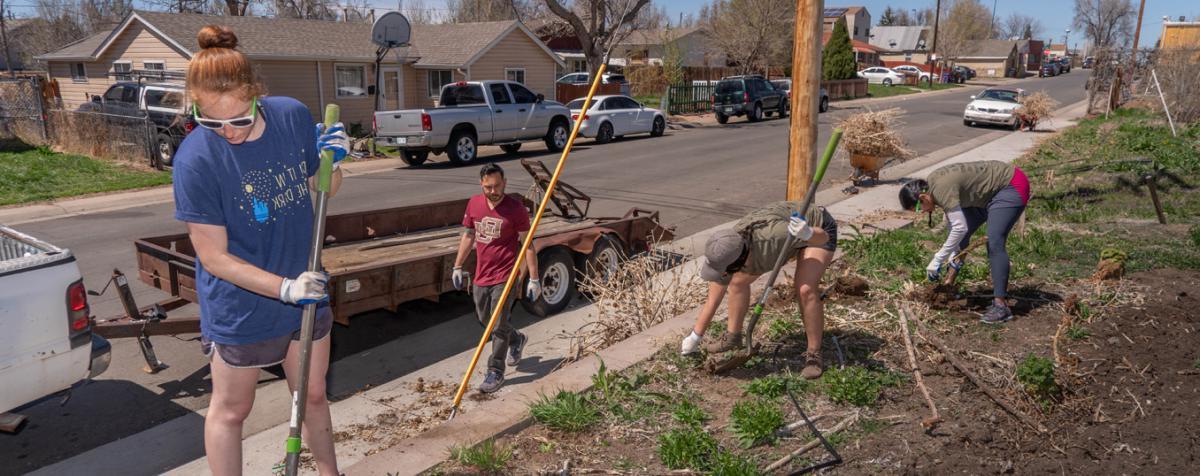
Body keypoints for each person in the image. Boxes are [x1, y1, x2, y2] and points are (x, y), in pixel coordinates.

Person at [172, 25, 347, 476]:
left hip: (306, 287)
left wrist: (334, 161)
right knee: (232, 410)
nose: (227, 132)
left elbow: (324, 188)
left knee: (311, 395)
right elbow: (214, 258)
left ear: (256, 95)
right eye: (211, 121)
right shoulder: (195, 160)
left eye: (239, 119)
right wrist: (285, 289)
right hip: (242, 304)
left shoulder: (290, 117)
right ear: (195, 107)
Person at [681, 202, 838, 380]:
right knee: (737, 281)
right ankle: (733, 337)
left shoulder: (775, 237)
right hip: (783, 237)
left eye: (724, 271)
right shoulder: (726, 248)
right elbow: (713, 298)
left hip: (815, 229)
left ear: (740, 260)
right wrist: (695, 337)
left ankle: (814, 354)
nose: (722, 274)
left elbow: (823, 237)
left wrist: (807, 233)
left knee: (805, 289)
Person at [898, 160, 1031, 324]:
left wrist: (938, 258)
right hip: (985, 194)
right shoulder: (934, 185)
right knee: (959, 237)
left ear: (923, 197)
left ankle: (1001, 306)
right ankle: (948, 287)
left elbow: (959, 227)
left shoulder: (940, 190)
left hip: (1010, 186)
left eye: (920, 208)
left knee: (994, 241)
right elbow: (958, 231)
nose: (923, 212)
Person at [452, 163, 540, 393]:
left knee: (498, 323)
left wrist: (534, 278)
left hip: (507, 274)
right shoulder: (474, 203)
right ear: (481, 184)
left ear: (505, 183)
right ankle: (517, 339)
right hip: (483, 274)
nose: (493, 191)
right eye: (488, 187)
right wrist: (457, 266)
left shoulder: (516, 209)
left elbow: (527, 244)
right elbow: (469, 235)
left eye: (497, 185)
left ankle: (496, 371)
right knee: (485, 318)